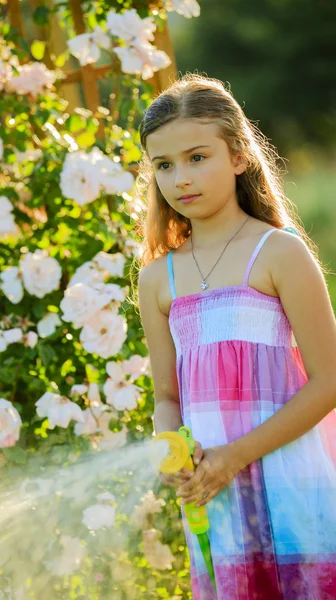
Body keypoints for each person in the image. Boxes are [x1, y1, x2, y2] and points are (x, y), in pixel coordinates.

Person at [135, 73, 336, 599]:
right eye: (164, 165)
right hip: (215, 496)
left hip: (289, 480)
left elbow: (330, 380)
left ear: (239, 156)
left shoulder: (278, 254)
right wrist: (172, 450)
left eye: (198, 157)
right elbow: (166, 397)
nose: (181, 177)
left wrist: (237, 454)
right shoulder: (159, 279)